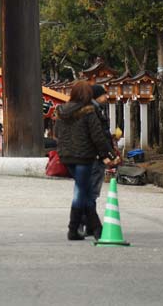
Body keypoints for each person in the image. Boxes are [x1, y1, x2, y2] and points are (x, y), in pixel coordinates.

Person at [55, 82, 116, 241]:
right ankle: (80, 228)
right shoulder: (88, 112)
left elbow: (57, 134)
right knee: (82, 192)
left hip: (67, 157)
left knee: (84, 190)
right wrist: (107, 154)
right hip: (84, 157)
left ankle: (89, 229)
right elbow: (97, 137)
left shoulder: (61, 112)